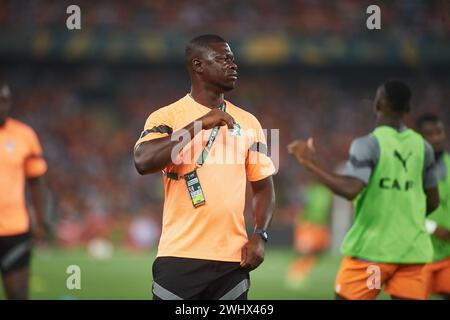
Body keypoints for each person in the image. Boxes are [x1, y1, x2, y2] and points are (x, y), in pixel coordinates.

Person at [133, 35, 276, 300]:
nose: (233, 65)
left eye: (233, 59)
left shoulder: (250, 123)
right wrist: (200, 124)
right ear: (198, 65)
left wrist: (260, 234)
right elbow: (143, 161)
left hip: (233, 263)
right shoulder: (167, 116)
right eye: (223, 59)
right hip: (179, 258)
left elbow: (264, 187)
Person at [287, 80, 439, 300]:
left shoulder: (368, 144)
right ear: (407, 109)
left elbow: (351, 189)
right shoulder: (423, 147)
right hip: (413, 254)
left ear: (378, 103)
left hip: (372, 252)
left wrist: (309, 162)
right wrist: (405, 218)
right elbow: (433, 202)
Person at [0, 84, 47, 299]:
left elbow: (36, 183)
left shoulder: (24, 135)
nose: (2, 106)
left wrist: (39, 221)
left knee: (18, 295)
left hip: (15, 231)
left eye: (5, 100)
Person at [416, 113, 450, 300]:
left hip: (447, 254)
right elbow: (399, 207)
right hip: (419, 256)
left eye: (439, 132)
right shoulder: (410, 167)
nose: (436, 138)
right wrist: (432, 227)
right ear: (418, 137)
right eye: (429, 134)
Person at [287, 176, 332, 286]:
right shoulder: (310, 191)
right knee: (305, 252)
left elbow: (327, 210)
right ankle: (296, 273)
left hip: (320, 227)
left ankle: (301, 271)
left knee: (317, 253)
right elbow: (301, 207)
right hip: (308, 225)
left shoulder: (326, 192)